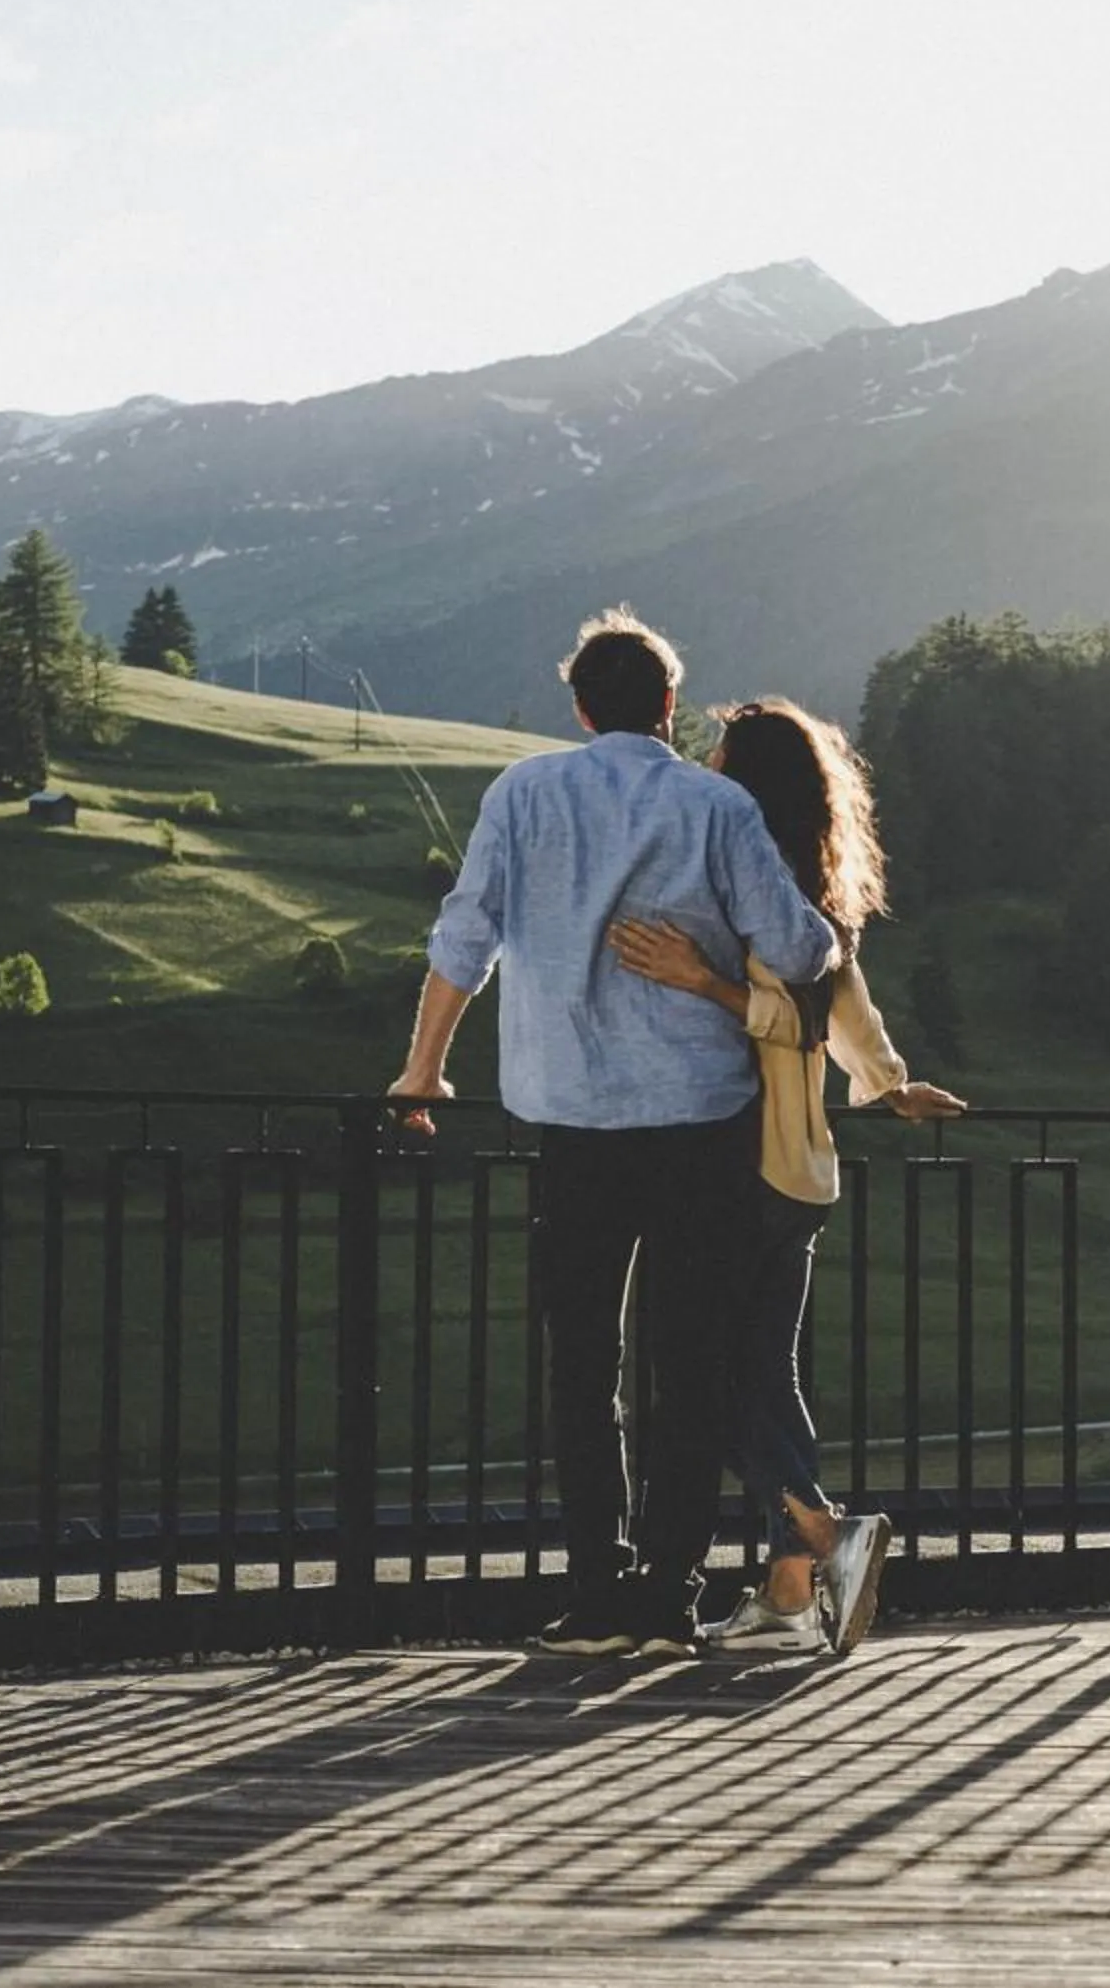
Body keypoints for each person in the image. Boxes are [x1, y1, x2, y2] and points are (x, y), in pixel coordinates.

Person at [389, 610, 838, 1657]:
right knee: (682, 1367)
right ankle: (667, 1592)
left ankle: (592, 1590)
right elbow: (802, 947)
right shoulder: (717, 804)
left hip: (572, 1125)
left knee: (580, 1365)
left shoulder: (522, 793)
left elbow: (467, 935)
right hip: (700, 1125)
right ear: (672, 707)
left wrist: (423, 1068)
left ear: (582, 707)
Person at [605, 697, 966, 1656]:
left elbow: (796, 1019)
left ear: (745, 778)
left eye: (720, 756)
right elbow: (850, 1013)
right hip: (802, 1174)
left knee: (711, 1383)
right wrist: (888, 1086)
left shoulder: (748, 882)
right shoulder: (817, 885)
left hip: (739, 1164)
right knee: (767, 1372)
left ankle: (821, 1532)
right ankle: (791, 1590)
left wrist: (701, 982)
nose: (707, 769)